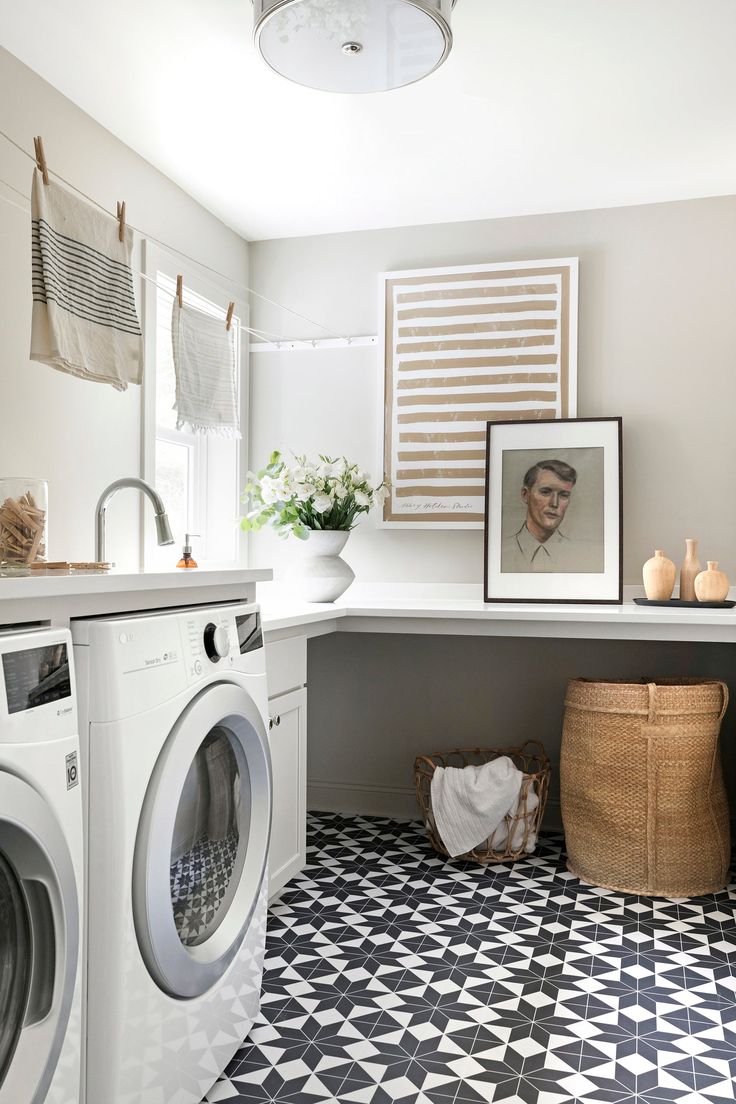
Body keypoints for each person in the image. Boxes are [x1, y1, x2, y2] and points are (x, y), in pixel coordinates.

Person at [502, 459, 583, 573]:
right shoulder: (502, 551)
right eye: (545, 492)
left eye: (563, 495)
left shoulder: (580, 554)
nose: (554, 503)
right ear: (525, 495)